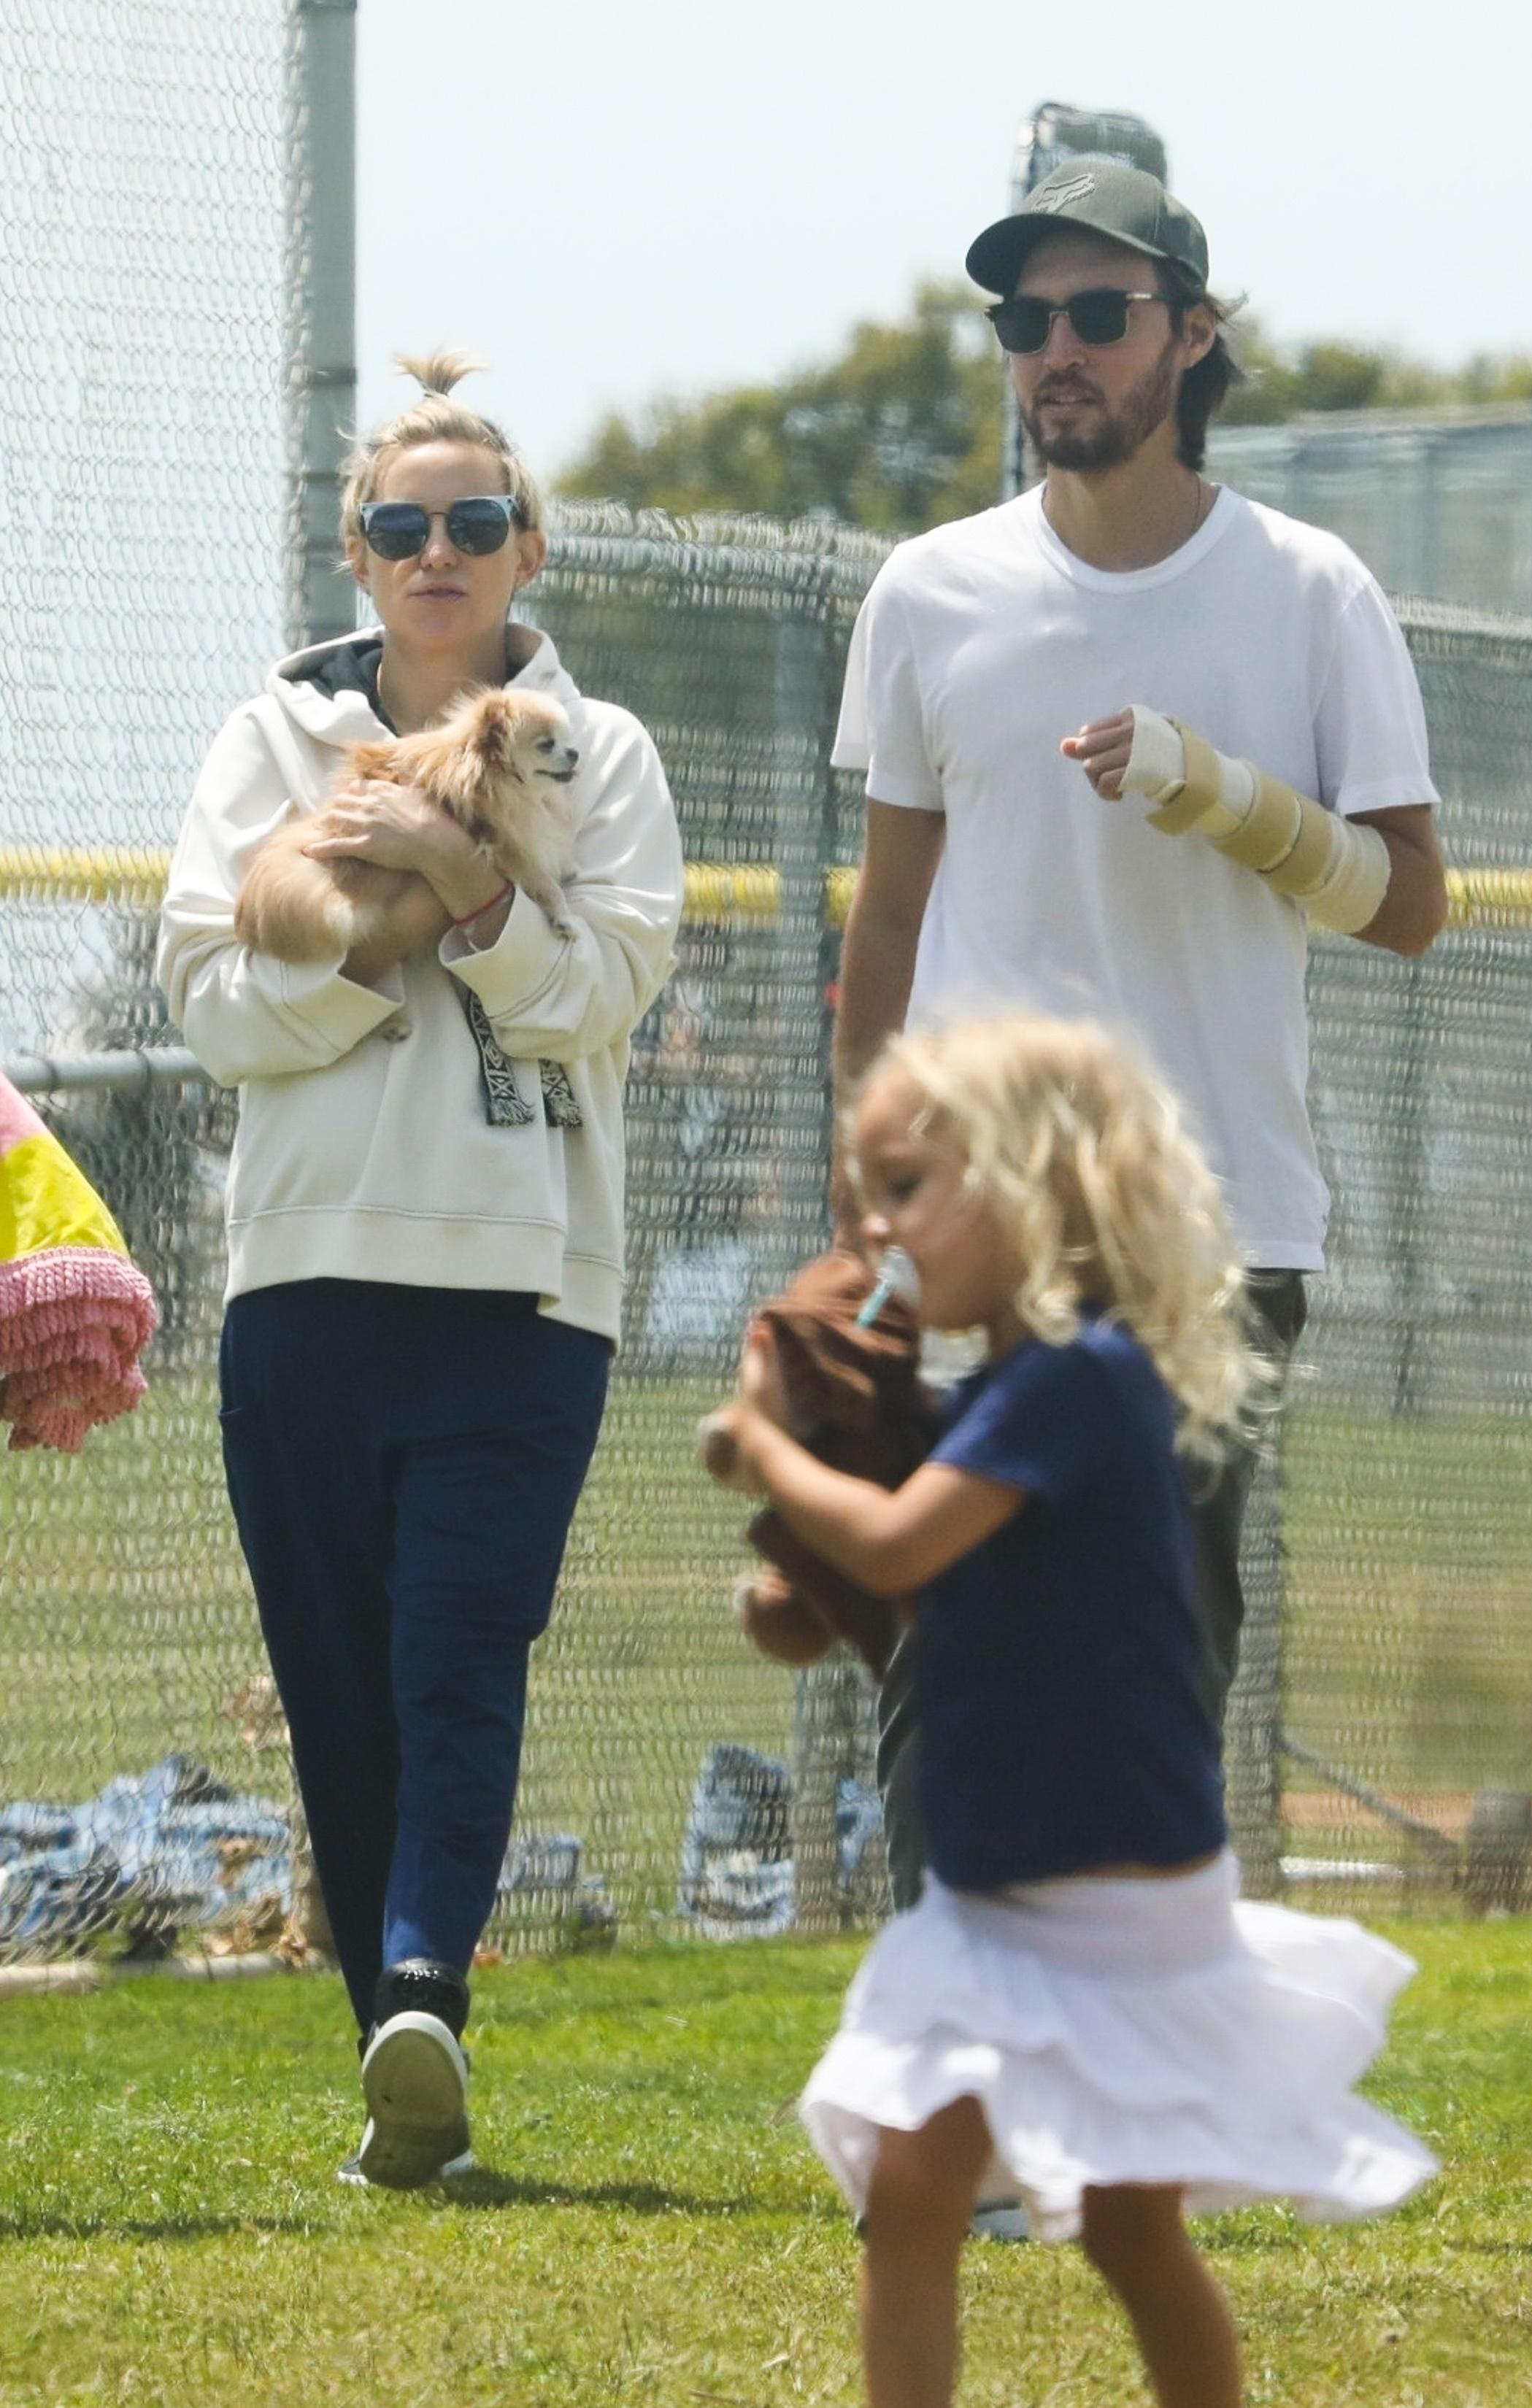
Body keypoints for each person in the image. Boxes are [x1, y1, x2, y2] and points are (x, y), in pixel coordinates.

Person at [830, 156, 1449, 1913]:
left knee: (1150, 1658)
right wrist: (869, 1188)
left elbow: (1405, 904)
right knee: (942, 1652)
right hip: (979, 1231)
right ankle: (960, 2060)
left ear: (1188, 335)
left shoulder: (1310, 589)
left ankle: (1104, 2073)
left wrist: (1230, 798)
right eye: (1024, 324)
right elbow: (884, 917)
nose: (1054, 356)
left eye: (1096, 316)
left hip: (1210, 1229)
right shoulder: (927, 592)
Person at [705, 1014, 1436, 2408]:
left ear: (1039, 1190)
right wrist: (796, 1604)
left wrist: (762, 1457)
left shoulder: (1080, 1382)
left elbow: (906, 1545)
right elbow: (917, 1593)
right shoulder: (1001, 1401)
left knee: (1119, 2220)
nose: (875, 1225)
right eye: (868, 1191)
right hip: (1004, 1896)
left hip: (1108, 1914)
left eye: (909, 1186)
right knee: (926, 2187)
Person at [158, 352, 682, 2186]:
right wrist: (368, 951)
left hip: (523, 1292)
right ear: (357, 554)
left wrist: (462, 891)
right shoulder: (265, 743)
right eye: (404, 525)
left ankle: (418, 1991)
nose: (438, 551)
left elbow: (602, 992)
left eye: (474, 522)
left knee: (461, 1653)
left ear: (524, 548)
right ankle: (398, 2084)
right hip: (301, 1285)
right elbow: (208, 999)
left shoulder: (598, 753)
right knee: (339, 1688)